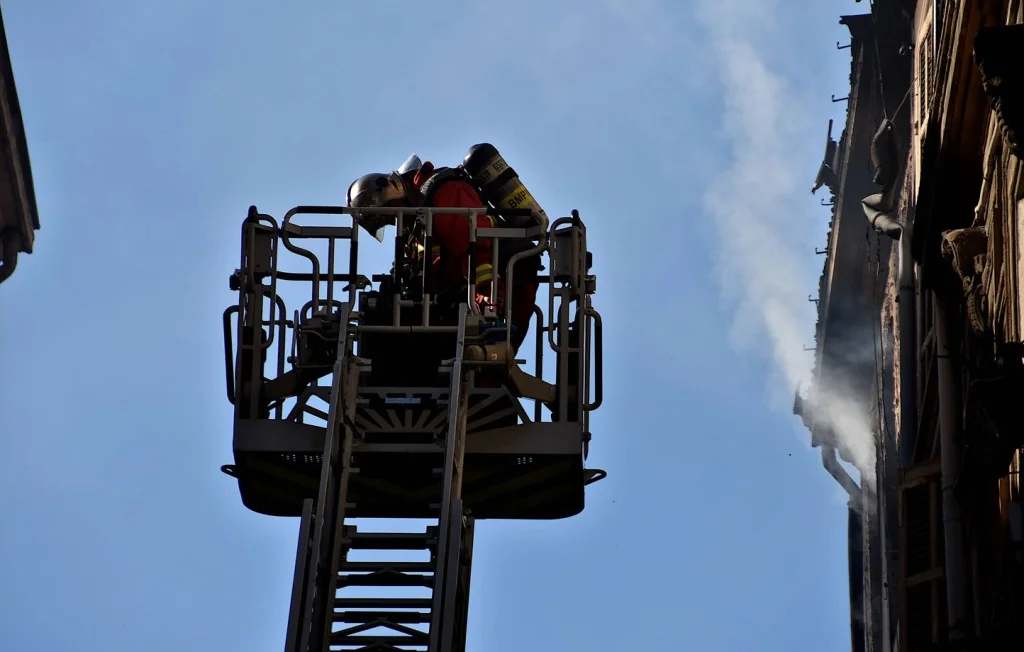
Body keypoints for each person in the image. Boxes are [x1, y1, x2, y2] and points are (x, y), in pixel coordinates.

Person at [346, 154, 504, 320]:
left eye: (386, 217)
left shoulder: (443, 196)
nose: (391, 222)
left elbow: (474, 250)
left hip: (506, 281)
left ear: (391, 193)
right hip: (461, 296)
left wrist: (487, 294)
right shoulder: (413, 225)